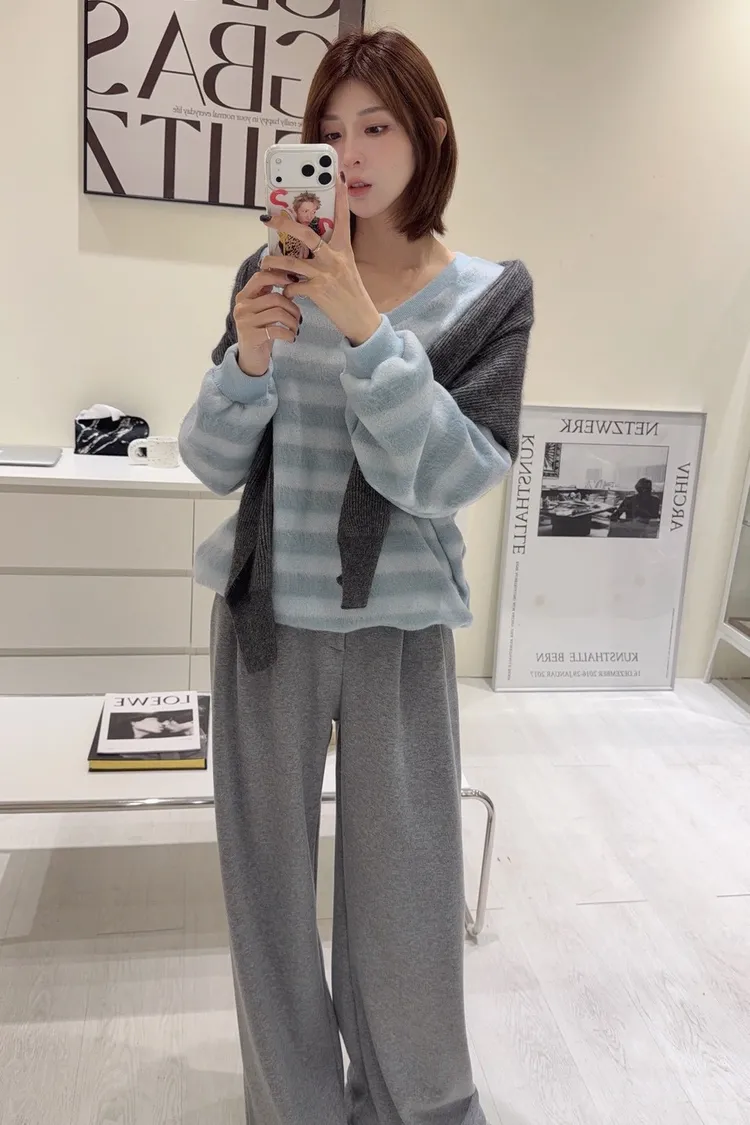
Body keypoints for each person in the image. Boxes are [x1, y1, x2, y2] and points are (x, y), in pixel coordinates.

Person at [179, 27, 533, 1125]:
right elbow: (212, 461)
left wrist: (368, 330)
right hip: (269, 623)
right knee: (268, 893)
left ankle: (418, 1103)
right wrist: (246, 359)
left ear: (429, 134)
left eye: (377, 126)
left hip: (399, 632)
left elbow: (452, 475)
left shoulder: (488, 298)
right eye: (330, 132)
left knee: (408, 893)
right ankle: (294, 1107)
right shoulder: (265, 274)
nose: (353, 153)